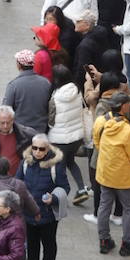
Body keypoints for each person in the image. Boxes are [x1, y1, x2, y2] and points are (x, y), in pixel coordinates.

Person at [93, 91, 130, 257]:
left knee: (104, 206)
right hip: (124, 178)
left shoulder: (100, 121)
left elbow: (97, 142)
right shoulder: (127, 130)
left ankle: (104, 241)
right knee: (129, 209)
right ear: (123, 107)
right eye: (128, 103)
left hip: (105, 174)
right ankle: (128, 244)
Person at [15, 133, 70, 260]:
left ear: (47, 149)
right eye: (35, 148)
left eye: (41, 149)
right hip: (29, 212)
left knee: (48, 244)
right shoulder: (25, 162)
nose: (37, 151)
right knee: (31, 242)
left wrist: (54, 198)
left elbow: (65, 187)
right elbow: (18, 182)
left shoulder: (55, 165)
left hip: (47, 214)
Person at [48, 66, 92, 204]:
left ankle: (59, 197)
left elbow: (51, 119)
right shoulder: (76, 90)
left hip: (59, 138)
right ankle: (81, 189)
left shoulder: (56, 96)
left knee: (59, 169)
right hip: (76, 137)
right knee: (70, 162)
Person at [4, 49, 52, 134]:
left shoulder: (14, 85)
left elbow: (6, 109)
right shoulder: (46, 83)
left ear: (19, 65)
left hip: (20, 132)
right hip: (41, 130)